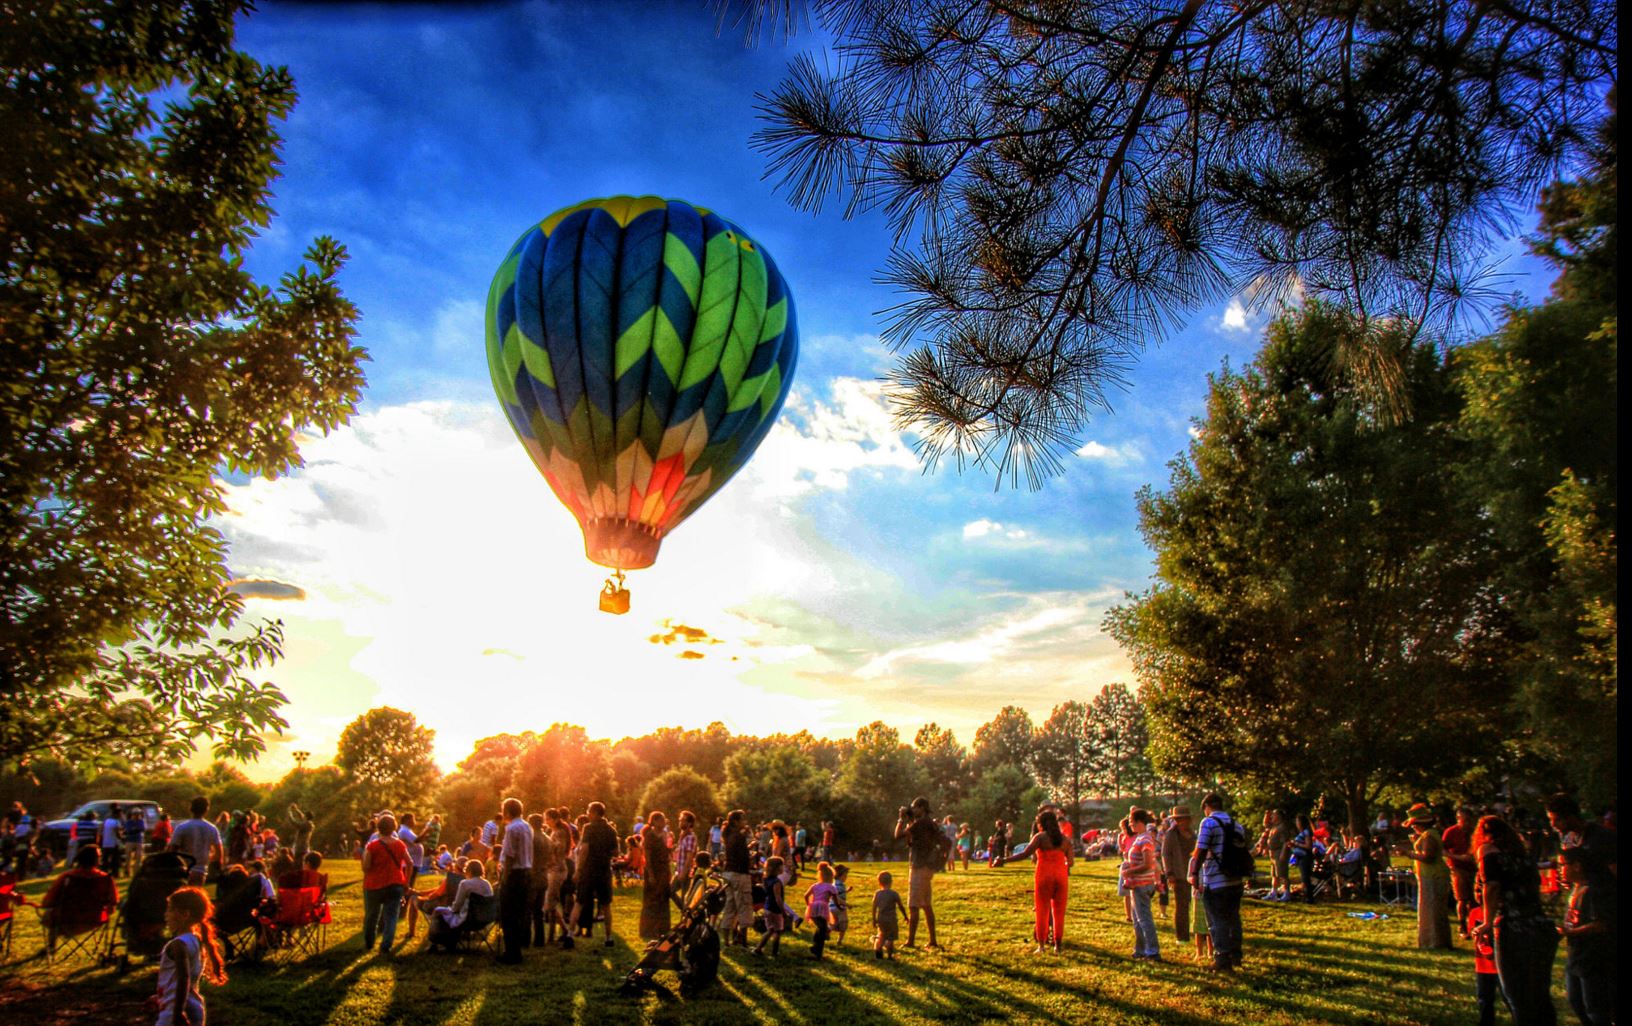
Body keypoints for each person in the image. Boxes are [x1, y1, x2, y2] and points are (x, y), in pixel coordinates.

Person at [1473, 814, 1557, 1025]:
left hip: (1513, 927)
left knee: (1517, 995)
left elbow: (1491, 887)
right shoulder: (1523, 855)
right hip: (1540, 925)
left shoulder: (1488, 851)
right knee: (1540, 994)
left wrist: (1487, 922)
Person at [148, 888, 227, 1026]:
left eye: (170, 910)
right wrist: (161, 997)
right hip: (194, 1007)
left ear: (185, 914)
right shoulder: (196, 940)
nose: (166, 915)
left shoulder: (178, 945)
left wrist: (177, 1013)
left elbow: (183, 979)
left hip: (176, 1011)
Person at [1556, 847, 1614, 1026]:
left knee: (1595, 1008)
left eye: (1562, 865)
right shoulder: (1575, 889)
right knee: (1576, 1002)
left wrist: (1572, 932)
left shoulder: (1592, 891)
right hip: (1575, 956)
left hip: (1592, 958)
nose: (1559, 870)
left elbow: (1601, 924)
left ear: (1577, 866)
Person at [1191, 792, 1247, 971]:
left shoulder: (1208, 823)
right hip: (1235, 879)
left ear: (1207, 807)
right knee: (1234, 918)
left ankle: (1222, 958)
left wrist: (1194, 872)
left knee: (1217, 920)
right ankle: (1236, 955)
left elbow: (1201, 850)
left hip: (1215, 880)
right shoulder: (1236, 825)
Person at [360, 812, 412, 957]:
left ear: (379, 828)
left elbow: (366, 867)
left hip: (373, 885)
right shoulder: (400, 845)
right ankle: (386, 945)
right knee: (391, 917)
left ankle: (369, 943)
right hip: (395, 884)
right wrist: (406, 882)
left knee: (371, 915)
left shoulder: (372, 846)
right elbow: (410, 863)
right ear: (393, 828)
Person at [568, 801, 618, 949]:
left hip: (589, 871)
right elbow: (616, 852)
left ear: (595, 813)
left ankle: (569, 936)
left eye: (589, 811)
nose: (588, 814)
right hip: (604, 871)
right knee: (606, 905)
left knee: (579, 902)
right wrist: (604, 854)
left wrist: (578, 870)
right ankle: (608, 938)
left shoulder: (588, 828)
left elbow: (584, 850)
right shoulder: (610, 830)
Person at [894, 796, 942, 949]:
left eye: (915, 807)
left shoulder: (920, 823)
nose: (913, 810)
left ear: (922, 808)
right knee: (926, 905)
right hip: (928, 866)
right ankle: (932, 940)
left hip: (918, 866)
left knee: (914, 905)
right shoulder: (930, 823)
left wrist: (901, 819)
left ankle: (910, 941)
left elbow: (898, 835)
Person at [1404, 804, 1453, 949]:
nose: (1413, 827)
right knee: (1429, 908)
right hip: (1427, 875)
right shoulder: (1426, 835)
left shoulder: (1430, 835)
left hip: (1433, 875)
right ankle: (1431, 940)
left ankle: (1435, 942)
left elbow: (1428, 857)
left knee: (1433, 909)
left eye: (1414, 824)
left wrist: (1408, 853)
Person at [1546, 794, 1618, 888]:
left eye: (1557, 820)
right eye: (1550, 819)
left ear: (1571, 817)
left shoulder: (1601, 837)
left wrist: (1585, 879)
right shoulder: (1568, 839)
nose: (1553, 824)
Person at [1028, 809, 1073, 954]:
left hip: (1044, 875)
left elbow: (1025, 853)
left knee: (1042, 910)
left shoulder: (1040, 837)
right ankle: (1057, 945)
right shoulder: (1065, 840)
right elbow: (1071, 862)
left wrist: (1004, 860)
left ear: (1041, 824)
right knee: (1059, 911)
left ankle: (1041, 945)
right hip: (1061, 876)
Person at [41, 845, 119, 927]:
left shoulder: (67, 877)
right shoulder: (105, 879)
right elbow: (113, 902)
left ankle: (52, 938)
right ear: (97, 860)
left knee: (48, 914)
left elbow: (48, 901)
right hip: (95, 919)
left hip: (66, 920)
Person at [494, 797, 532, 964]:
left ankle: (512, 953)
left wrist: (504, 877)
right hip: (525, 872)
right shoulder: (527, 826)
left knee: (508, 914)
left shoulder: (511, 828)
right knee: (519, 913)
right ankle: (517, 949)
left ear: (507, 812)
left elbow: (509, 855)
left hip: (513, 874)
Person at [428, 859, 494, 951]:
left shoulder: (465, 884)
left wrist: (451, 909)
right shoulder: (487, 884)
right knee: (447, 914)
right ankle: (450, 942)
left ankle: (436, 943)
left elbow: (457, 905)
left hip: (467, 919)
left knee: (439, 911)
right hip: (484, 919)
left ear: (469, 871)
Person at [1121, 808, 1161, 960]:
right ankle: (1140, 949)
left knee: (1144, 919)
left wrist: (1129, 871)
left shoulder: (1145, 839)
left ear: (1138, 822)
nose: (1130, 825)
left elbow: (1147, 863)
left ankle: (1153, 951)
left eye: (1131, 822)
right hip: (1136, 884)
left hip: (1142, 884)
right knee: (1137, 919)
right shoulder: (1140, 838)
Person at [717, 809, 754, 947]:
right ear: (736, 821)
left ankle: (726, 941)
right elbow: (743, 857)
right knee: (744, 905)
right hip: (740, 873)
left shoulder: (728, 835)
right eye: (742, 819)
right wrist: (751, 855)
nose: (745, 822)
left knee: (729, 906)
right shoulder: (738, 836)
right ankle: (743, 941)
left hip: (728, 873)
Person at [169, 797, 223, 886]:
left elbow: (172, 851)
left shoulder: (182, 827)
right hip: (201, 870)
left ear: (191, 808)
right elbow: (219, 854)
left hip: (183, 869)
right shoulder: (212, 828)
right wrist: (207, 859)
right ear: (206, 809)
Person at [1442, 806, 1479, 936]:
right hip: (1458, 868)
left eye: (1470, 820)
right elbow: (1443, 850)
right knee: (1462, 899)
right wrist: (1457, 857)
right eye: (1465, 820)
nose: (1468, 823)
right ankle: (1462, 925)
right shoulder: (1451, 832)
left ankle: (1474, 923)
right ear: (1458, 819)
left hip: (1475, 868)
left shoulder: (1476, 832)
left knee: (1476, 899)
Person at [1468, 878, 1500, 1026]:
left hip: (1500, 965)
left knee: (1509, 997)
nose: (1479, 894)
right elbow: (1474, 938)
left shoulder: (1499, 915)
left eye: (1482, 891)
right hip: (1483, 965)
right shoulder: (1474, 913)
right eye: (1477, 891)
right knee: (1485, 999)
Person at [1162, 806, 1196, 944]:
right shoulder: (1171, 835)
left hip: (1194, 874)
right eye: (1179, 819)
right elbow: (1165, 855)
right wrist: (1169, 873)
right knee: (1181, 907)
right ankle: (1182, 936)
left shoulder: (1193, 834)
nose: (1183, 822)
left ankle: (1201, 935)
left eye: (1185, 819)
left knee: (1196, 906)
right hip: (1179, 875)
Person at [640, 811, 672, 941]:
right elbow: (647, 858)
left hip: (664, 871)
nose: (664, 822)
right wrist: (651, 875)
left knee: (663, 899)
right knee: (651, 900)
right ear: (654, 821)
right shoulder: (649, 836)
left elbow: (667, 853)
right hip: (653, 871)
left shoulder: (666, 835)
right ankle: (649, 929)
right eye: (661, 820)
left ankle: (663, 929)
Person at [752, 855, 787, 958]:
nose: (783, 868)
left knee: (770, 930)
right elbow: (778, 898)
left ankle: (758, 948)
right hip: (775, 909)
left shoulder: (766, 879)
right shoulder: (777, 882)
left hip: (767, 907)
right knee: (777, 931)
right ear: (777, 868)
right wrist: (783, 911)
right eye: (782, 866)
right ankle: (774, 952)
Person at [805, 861, 839, 959]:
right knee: (823, 929)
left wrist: (809, 905)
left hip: (813, 908)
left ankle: (816, 947)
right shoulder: (831, 887)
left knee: (820, 928)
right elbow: (836, 901)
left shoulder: (815, 885)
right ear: (831, 877)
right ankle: (817, 950)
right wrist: (840, 907)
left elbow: (806, 895)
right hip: (823, 908)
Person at [872, 870, 905, 959]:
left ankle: (878, 950)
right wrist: (905, 916)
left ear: (879, 882)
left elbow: (874, 907)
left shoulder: (877, 894)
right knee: (890, 937)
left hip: (881, 918)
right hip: (891, 919)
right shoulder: (894, 894)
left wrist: (874, 919)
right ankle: (890, 955)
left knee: (881, 935)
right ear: (891, 882)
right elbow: (900, 906)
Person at [831, 863, 851, 944]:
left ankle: (826, 933)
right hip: (840, 908)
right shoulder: (838, 885)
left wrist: (847, 891)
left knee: (833, 923)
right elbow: (836, 897)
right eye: (845, 875)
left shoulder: (836, 884)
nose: (846, 877)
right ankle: (839, 940)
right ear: (840, 875)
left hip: (832, 907)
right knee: (844, 924)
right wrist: (846, 904)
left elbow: (838, 893)